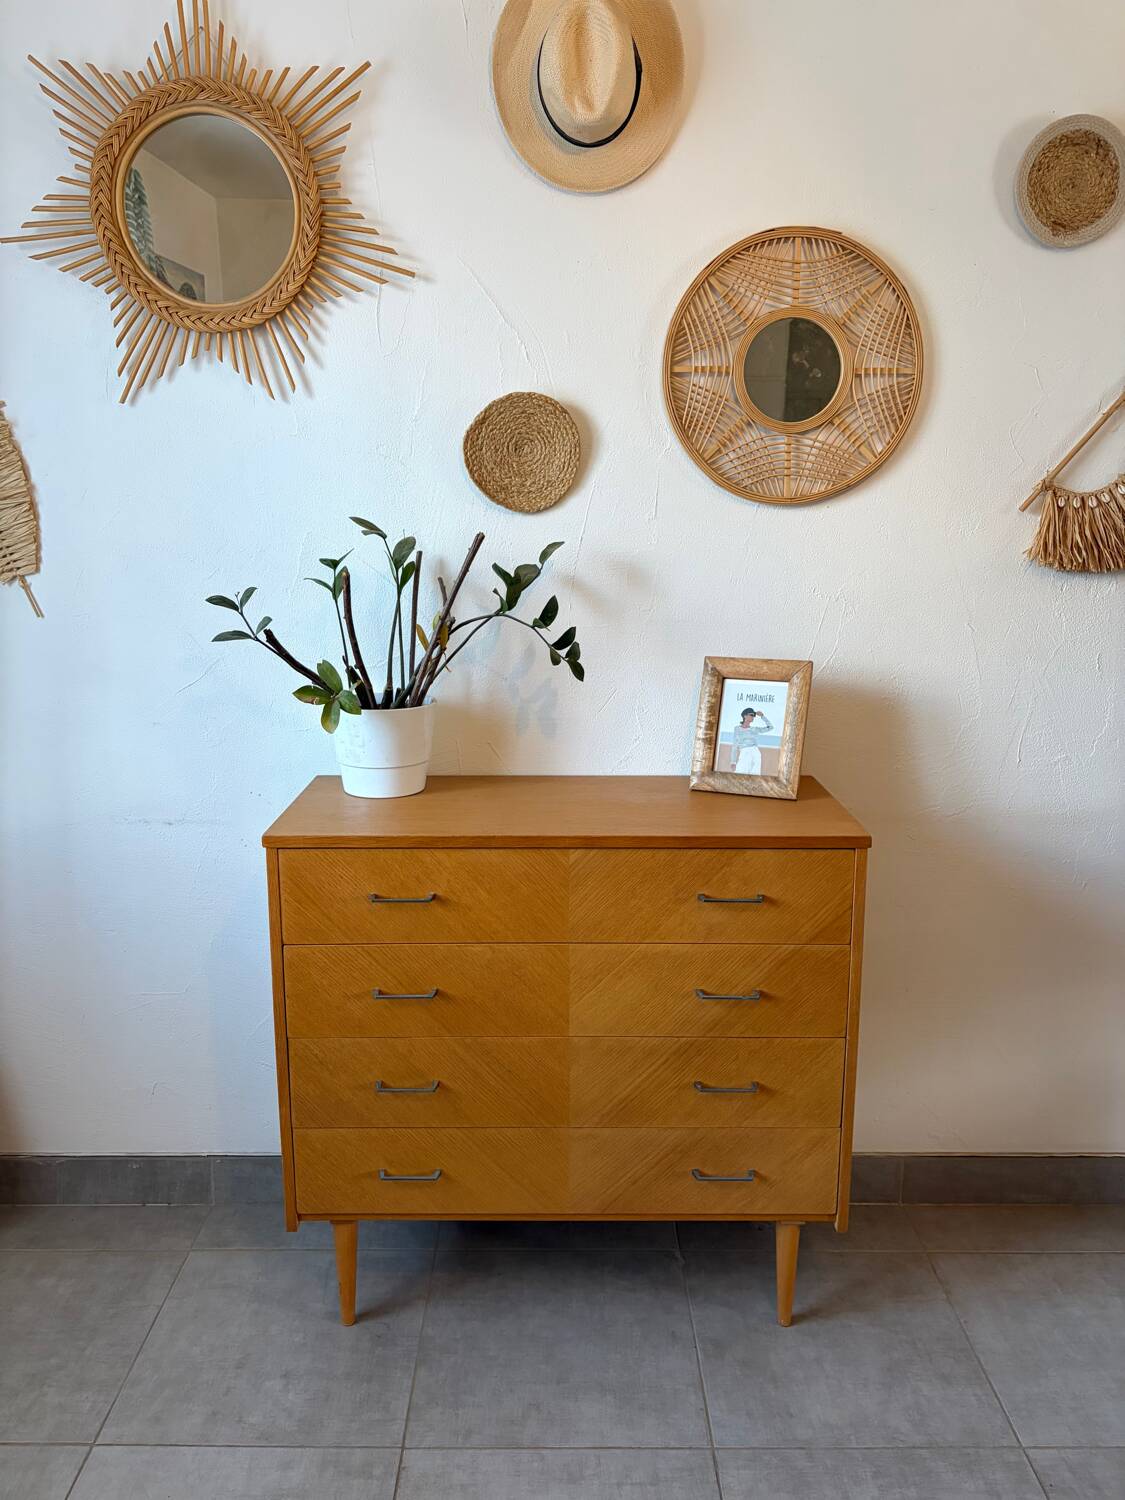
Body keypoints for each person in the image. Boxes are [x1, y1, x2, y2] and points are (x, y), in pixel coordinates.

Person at [729, 705, 773, 773]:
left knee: (755, 775)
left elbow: (770, 727)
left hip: (755, 752)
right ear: (745, 716)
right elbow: (735, 746)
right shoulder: (737, 729)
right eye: (751, 715)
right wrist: (733, 761)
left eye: (754, 716)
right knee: (740, 774)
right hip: (744, 752)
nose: (753, 717)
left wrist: (762, 716)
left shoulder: (754, 729)